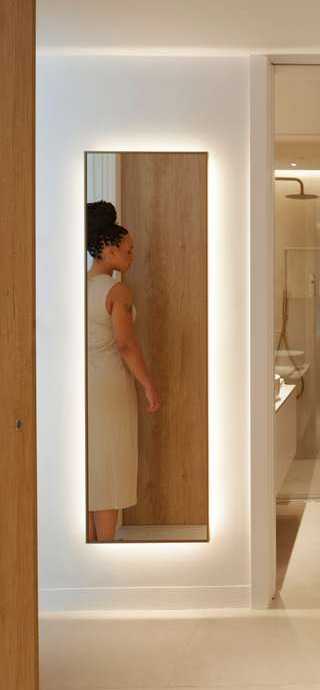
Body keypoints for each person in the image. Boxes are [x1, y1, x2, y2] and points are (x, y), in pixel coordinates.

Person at [86, 200, 161, 542]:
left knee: (89, 465)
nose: (132, 256)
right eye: (128, 251)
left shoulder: (79, 288)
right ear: (108, 248)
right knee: (110, 466)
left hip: (83, 386)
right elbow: (126, 344)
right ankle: (105, 548)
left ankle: (86, 547)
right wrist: (148, 385)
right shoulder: (116, 291)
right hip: (109, 387)